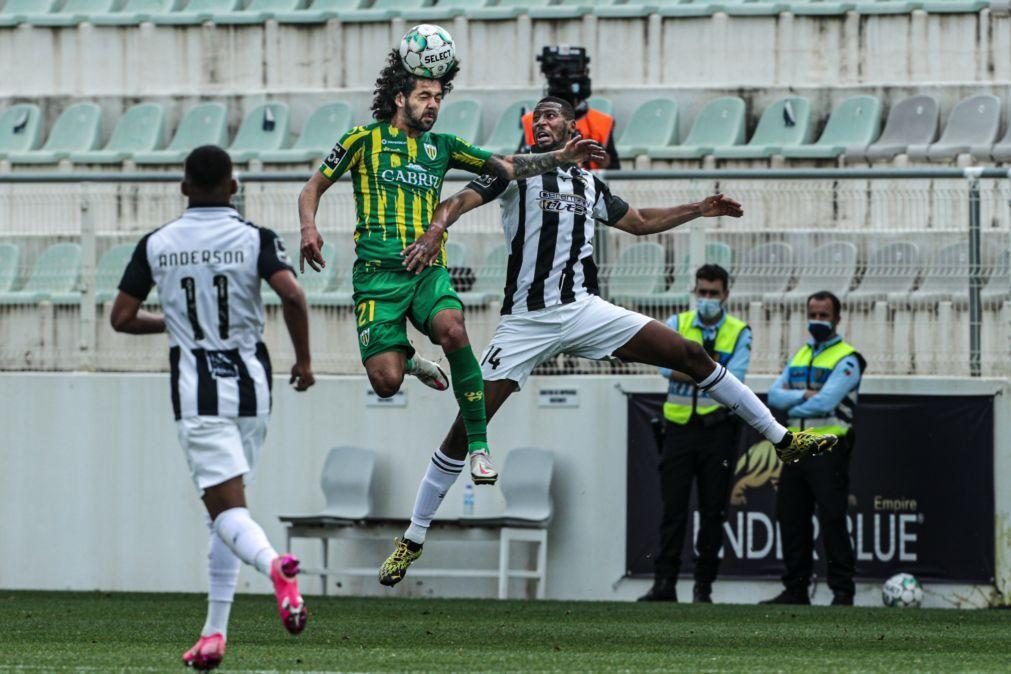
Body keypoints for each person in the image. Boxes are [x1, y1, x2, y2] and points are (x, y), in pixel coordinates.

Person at [376, 96, 838, 587]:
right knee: (465, 427)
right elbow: (457, 201)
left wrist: (699, 209)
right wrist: (434, 230)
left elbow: (639, 222)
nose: (543, 121)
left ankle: (783, 441)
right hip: (525, 323)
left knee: (690, 353)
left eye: (553, 114)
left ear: (572, 125)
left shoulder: (588, 183)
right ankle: (413, 537)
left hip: (583, 310)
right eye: (537, 116)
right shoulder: (512, 171)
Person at [297, 50, 606, 485]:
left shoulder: (444, 147)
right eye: (425, 96)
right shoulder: (361, 139)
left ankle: (478, 447)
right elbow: (314, 186)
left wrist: (558, 158)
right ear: (401, 98)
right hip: (376, 278)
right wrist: (308, 226)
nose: (433, 105)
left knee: (454, 329)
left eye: (439, 97)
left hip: (426, 270)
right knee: (385, 382)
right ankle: (411, 361)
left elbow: (506, 166)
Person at [110, 145, 313, 671]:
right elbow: (292, 296)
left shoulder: (157, 244)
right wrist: (306, 362)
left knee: (226, 513)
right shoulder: (255, 238)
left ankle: (276, 568)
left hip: (198, 393)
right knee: (225, 516)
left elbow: (122, 317)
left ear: (183, 188)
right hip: (252, 388)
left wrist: (174, 325)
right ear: (233, 186)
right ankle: (213, 635)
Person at [638, 264, 751, 604]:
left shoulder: (739, 330)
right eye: (701, 292)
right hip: (679, 430)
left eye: (713, 294)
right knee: (673, 510)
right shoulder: (677, 323)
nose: (706, 299)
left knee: (713, 511)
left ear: (726, 295)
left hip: (718, 431)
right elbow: (663, 368)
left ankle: (704, 587)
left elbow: (737, 377)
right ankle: (665, 584)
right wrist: (710, 369)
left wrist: (687, 368)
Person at [760, 291, 865, 606]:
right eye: (813, 314)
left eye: (824, 315)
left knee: (832, 518)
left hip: (828, 446)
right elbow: (773, 397)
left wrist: (800, 397)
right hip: (796, 446)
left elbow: (826, 401)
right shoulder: (801, 355)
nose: (817, 320)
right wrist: (803, 396)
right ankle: (796, 589)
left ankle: (842, 591)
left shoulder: (848, 358)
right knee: (790, 517)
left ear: (837, 318)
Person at [520, 46, 620, 171]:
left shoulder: (601, 122)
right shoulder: (532, 121)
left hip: (587, 187)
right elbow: (518, 167)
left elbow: (614, 171)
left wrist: (599, 158)